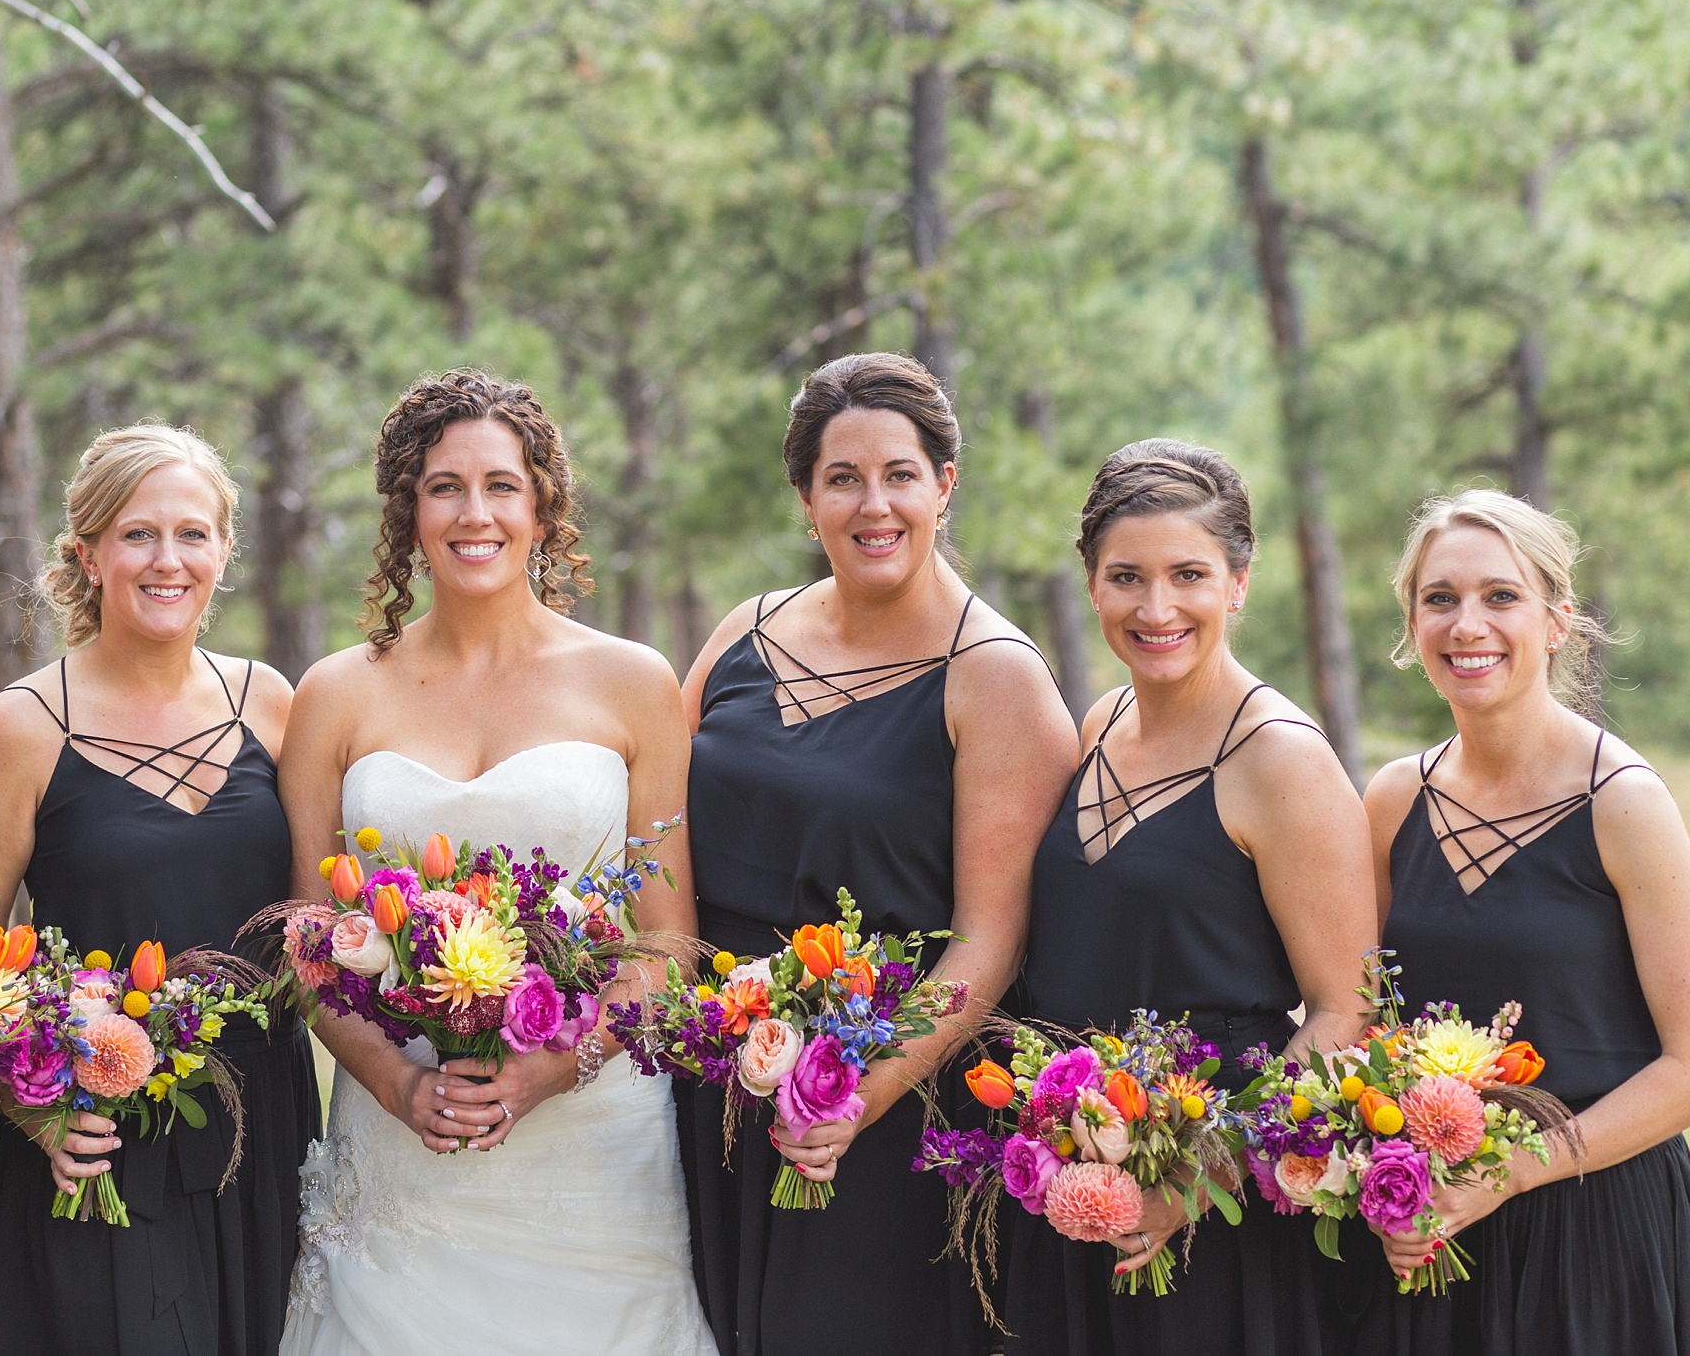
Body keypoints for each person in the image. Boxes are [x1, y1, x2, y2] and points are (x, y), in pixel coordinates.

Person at [277, 369, 714, 1356]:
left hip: (591, 1148)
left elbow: (667, 941)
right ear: (407, 510)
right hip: (398, 1152)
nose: (474, 514)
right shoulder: (336, 696)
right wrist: (396, 1084)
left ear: (542, 505)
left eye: (501, 486)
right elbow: (310, 942)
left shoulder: (632, 682)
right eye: (443, 487)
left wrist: (556, 1068)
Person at [678, 352, 1079, 1356]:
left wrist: (851, 1098)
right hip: (708, 1084)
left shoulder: (993, 679)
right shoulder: (745, 632)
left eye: (899, 474)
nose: (873, 505)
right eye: (841, 478)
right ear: (805, 496)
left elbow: (989, 946)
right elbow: (660, 845)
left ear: (943, 486)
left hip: (884, 1114)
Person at [997, 441, 1377, 1355]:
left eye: (1190, 575)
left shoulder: (1281, 759)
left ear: (1239, 582)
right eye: (1127, 576)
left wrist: (1194, 1179)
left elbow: (1346, 1010)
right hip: (1076, 1180)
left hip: (1210, 1202)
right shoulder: (1100, 725)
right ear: (1091, 583)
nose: (1156, 608)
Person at [0, 423, 319, 1355]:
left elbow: (315, 928)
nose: (168, 560)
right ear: (87, 553)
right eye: (137, 534)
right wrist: (32, 1109)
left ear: (225, 549)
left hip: (266, 1128)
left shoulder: (273, 704)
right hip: (99, 1132)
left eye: (192, 534)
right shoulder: (24, 726)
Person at [1344, 490, 1690, 1355]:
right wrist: (1386, 1179)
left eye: (1500, 596)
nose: (1468, 624)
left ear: (1558, 618)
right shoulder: (1391, 801)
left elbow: (1688, 1065)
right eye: (1440, 598)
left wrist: (1507, 1175)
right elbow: (1361, 1025)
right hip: (1429, 1234)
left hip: (1595, 1226)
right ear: (1412, 622)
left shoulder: (1624, 802)